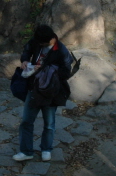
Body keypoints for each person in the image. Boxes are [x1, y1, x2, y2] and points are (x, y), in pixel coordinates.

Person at [13, 25, 74, 162]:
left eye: (42, 43)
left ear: (50, 39)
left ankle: (46, 149)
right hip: (33, 88)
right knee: (26, 121)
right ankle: (26, 151)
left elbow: (66, 72)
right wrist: (25, 60)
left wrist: (46, 69)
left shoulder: (61, 50)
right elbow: (27, 51)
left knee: (49, 123)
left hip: (51, 91)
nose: (39, 45)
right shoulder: (36, 41)